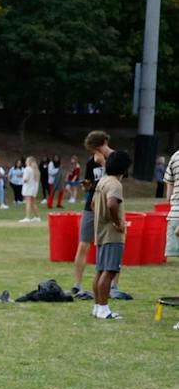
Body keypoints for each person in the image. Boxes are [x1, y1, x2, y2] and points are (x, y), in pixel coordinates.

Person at [90, 147, 129, 320]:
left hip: (100, 232)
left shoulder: (102, 181)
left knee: (100, 270)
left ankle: (98, 307)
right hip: (112, 234)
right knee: (110, 271)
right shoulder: (115, 184)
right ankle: (105, 309)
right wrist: (117, 222)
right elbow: (112, 204)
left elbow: (92, 204)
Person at [72, 132, 113, 287]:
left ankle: (113, 286)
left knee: (110, 244)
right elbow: (91, 183)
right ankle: (77, 284)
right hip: (91, 205)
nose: (93, 153)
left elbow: (117, 181)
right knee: (84, 243)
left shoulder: (117, 158)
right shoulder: (91, 162)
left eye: (95, 148)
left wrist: (104, 164)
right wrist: (87, 186)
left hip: (109, 205)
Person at [22, 155, 41, 221]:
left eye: (26, 160)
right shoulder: (36, 170)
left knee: (28, 202)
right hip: (33, 189)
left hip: (28, 188)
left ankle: (27, 217)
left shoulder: (27, 169)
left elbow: (25, 179)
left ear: (29, 162)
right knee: (33, 203)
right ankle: (37, 217)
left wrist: (22, 179)